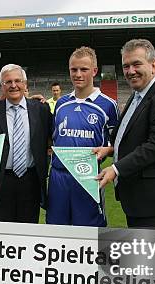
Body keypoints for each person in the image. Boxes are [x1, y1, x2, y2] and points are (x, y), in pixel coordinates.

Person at [96, 39, 155, 228]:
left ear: (153, 65)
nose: (130, 71)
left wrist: (115, 169)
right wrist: (111, 149)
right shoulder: (139, 94)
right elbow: (136, 137)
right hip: (140, 198)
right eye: (126, 66)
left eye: (136, 64)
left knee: (151, 257)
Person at [47, 47, 118, 227]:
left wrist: (108, 150)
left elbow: (119, 145)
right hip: (58, 177)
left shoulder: (108, 105)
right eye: (74, 69)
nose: (78, 74)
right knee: (56, 230)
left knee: (89, 233)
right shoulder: (62, 103)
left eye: (84, 69)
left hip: (88, 178)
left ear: (94, 71)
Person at [0, 64, 53, 223]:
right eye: (8, 82)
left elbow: (52, 137)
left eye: (17, 80)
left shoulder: (40, 110)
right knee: (0, 234)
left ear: (25, 84)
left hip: (31, 181)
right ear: (2, 86)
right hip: (0, 183)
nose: (13, 85)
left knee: (27, 232)